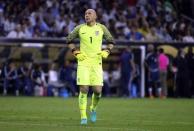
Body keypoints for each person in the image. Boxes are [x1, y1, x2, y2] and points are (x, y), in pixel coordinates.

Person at [66, 9, 114, 125]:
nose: (87, 15)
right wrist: (75, 52)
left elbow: (111, 41)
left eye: (89, 13)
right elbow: (69, 40)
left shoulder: (102, 28)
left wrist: (107, 50)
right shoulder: (79, 28)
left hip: (96, 62)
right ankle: (83, 116)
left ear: (95, 16)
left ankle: (93, 108)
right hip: (83, 62)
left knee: (97, 91)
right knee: (84, 89)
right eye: (85, 14)